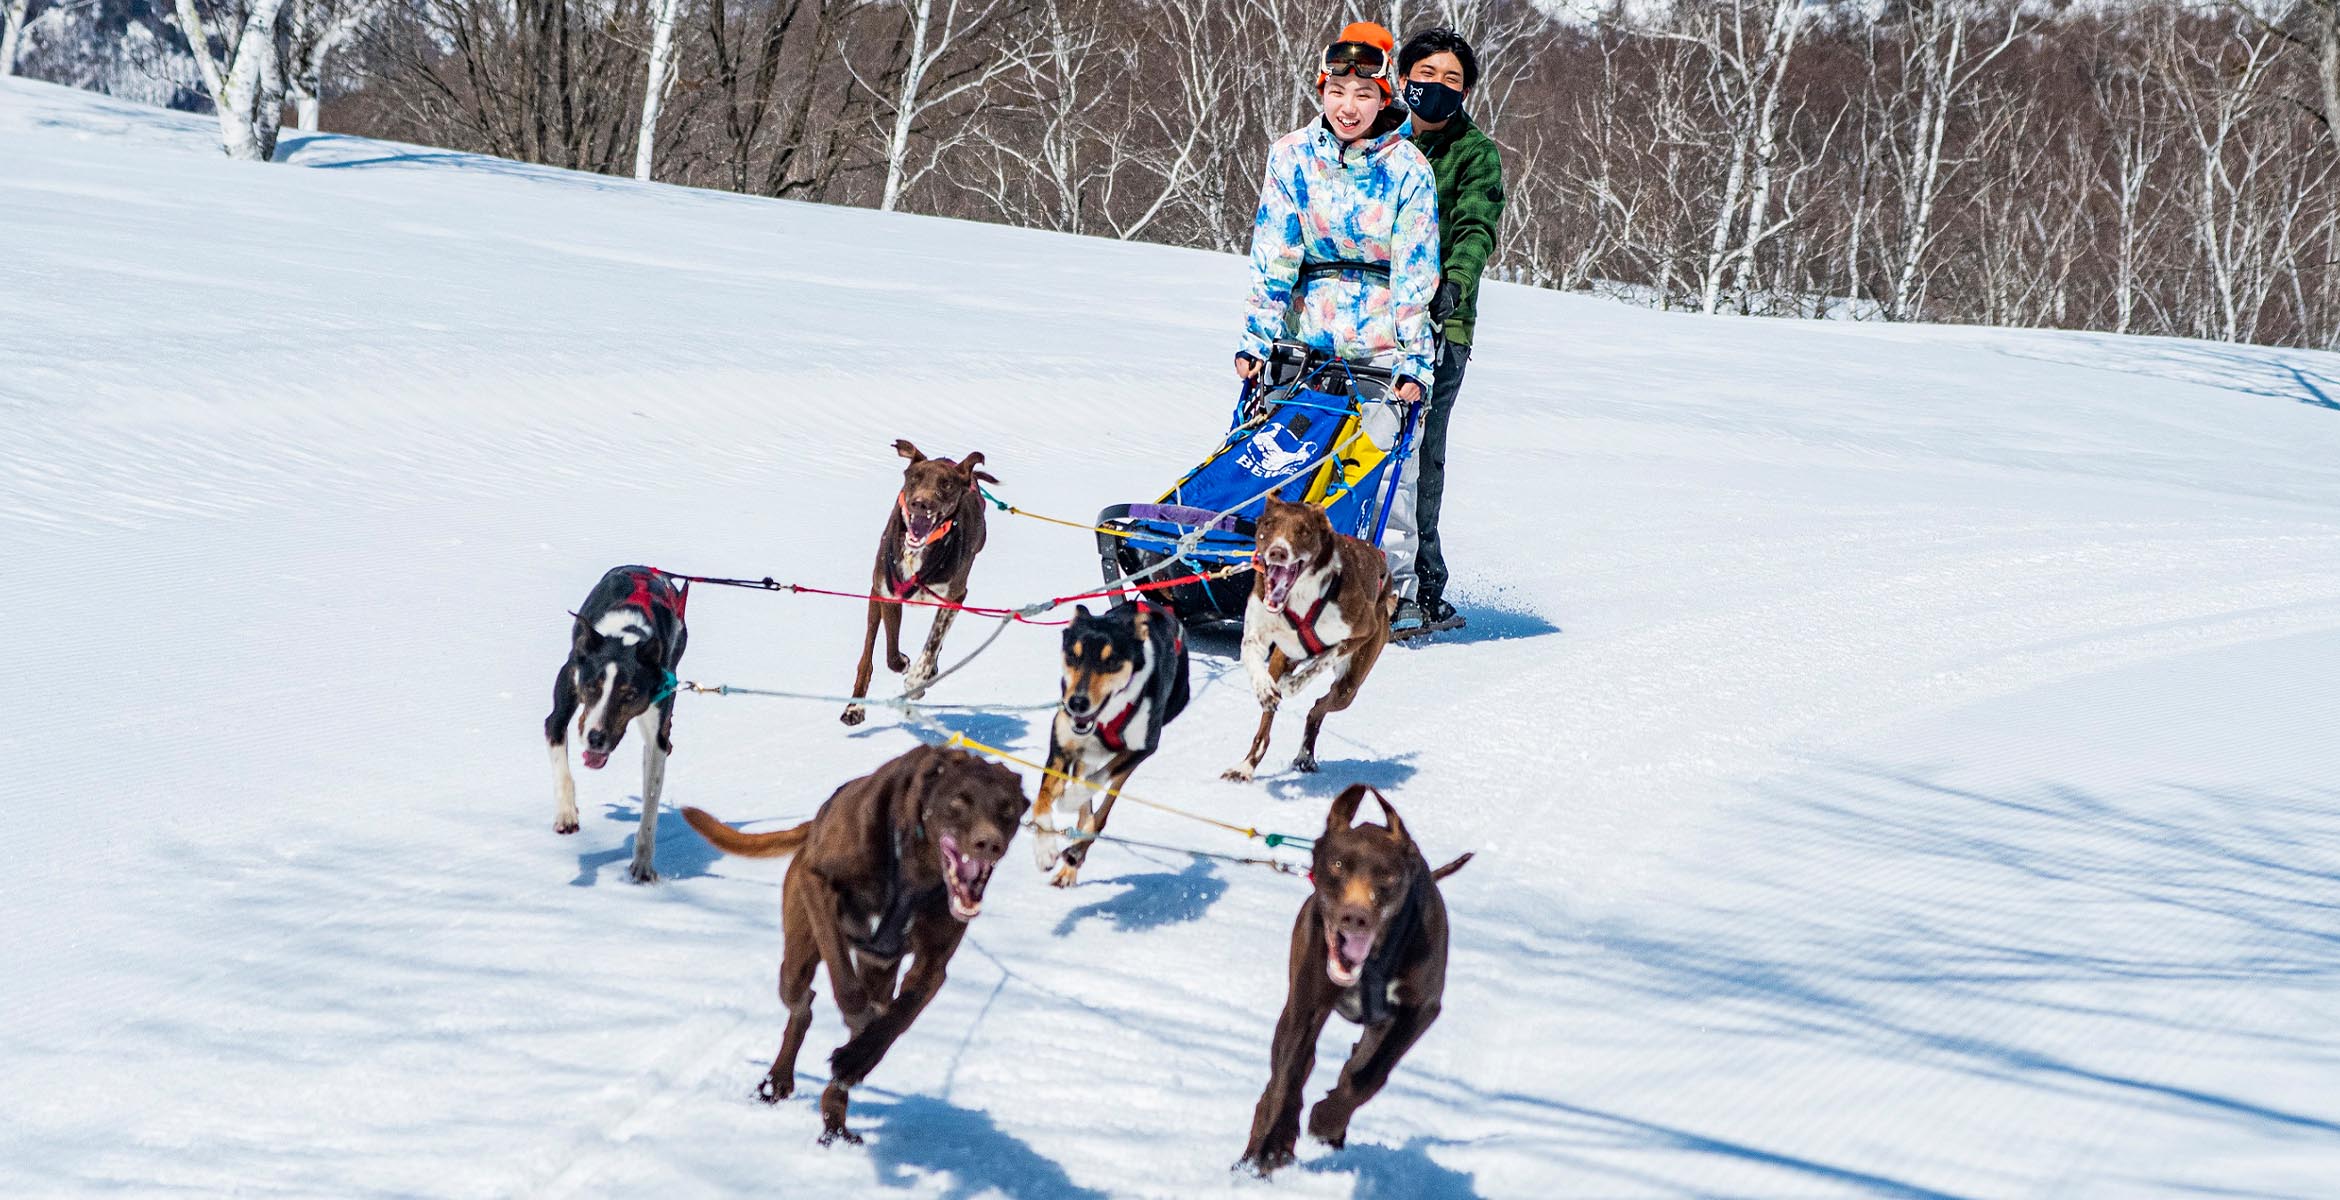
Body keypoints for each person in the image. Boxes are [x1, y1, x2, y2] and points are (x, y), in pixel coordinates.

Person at [1235, 21, 1441, 603]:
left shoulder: (1408, 169)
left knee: (1384, 478)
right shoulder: (1291, 156)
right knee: (1277, 465)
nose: (1349, 108)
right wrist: (1256, 340)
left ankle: (1388, 593)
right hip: (1304, 340)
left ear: (1384, 97)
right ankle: (1260, 576)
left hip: (1383, 347)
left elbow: (1415, 272)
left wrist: (1414, 362)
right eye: (1337, 92)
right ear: (1321, 89)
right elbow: (1274, 253)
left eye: (1364, 94)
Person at [1394, 26, 1505, 633]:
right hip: (1366, 321)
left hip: (1439, 323)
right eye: (1427, 76)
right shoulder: (1381, 138)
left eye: (1453, 81)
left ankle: (1422, 583)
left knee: (1417, 452)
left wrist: (1454, 281)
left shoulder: (1474, 152)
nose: (1437, 89)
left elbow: (1474, 226)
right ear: (1404, 75)